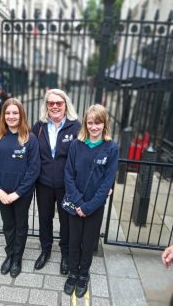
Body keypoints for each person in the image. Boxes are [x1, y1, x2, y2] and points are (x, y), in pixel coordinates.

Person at [63, 104, 119, 298]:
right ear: (85, 124)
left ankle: (83, 274)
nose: (94, 127)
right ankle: (72, 272)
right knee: (74, 239)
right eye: (90, 123)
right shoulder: (76, 145)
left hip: (94, 206)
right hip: (76, 203)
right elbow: (68, 175)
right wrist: (78, 203)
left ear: (105, 124)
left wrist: (88, 207)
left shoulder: (111, 148)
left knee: (88, 242)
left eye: (98, 123)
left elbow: (107, 182)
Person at [0, 98, 40, 278]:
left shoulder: (30, 139)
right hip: (2, 193)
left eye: (15, 113)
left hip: (21, 194)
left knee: (21, 225)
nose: (11, 116)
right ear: (3, 116)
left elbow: (34, 170)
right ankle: (9, 255)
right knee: (8, 225)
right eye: (8, 113)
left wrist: (17, 193)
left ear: (21, 114)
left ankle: (17, 258)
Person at [32, 88, 81, 275]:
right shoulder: (39, 127)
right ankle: (45, 250)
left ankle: (65, 254)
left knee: (66, 220)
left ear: (65, 105)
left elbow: (82, 157)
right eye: (50, 103)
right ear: (46, 106)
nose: (54, 106)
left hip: (66, 186)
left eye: (58, 103)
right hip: (43, 183)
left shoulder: (76, 127)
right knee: (44, 218)